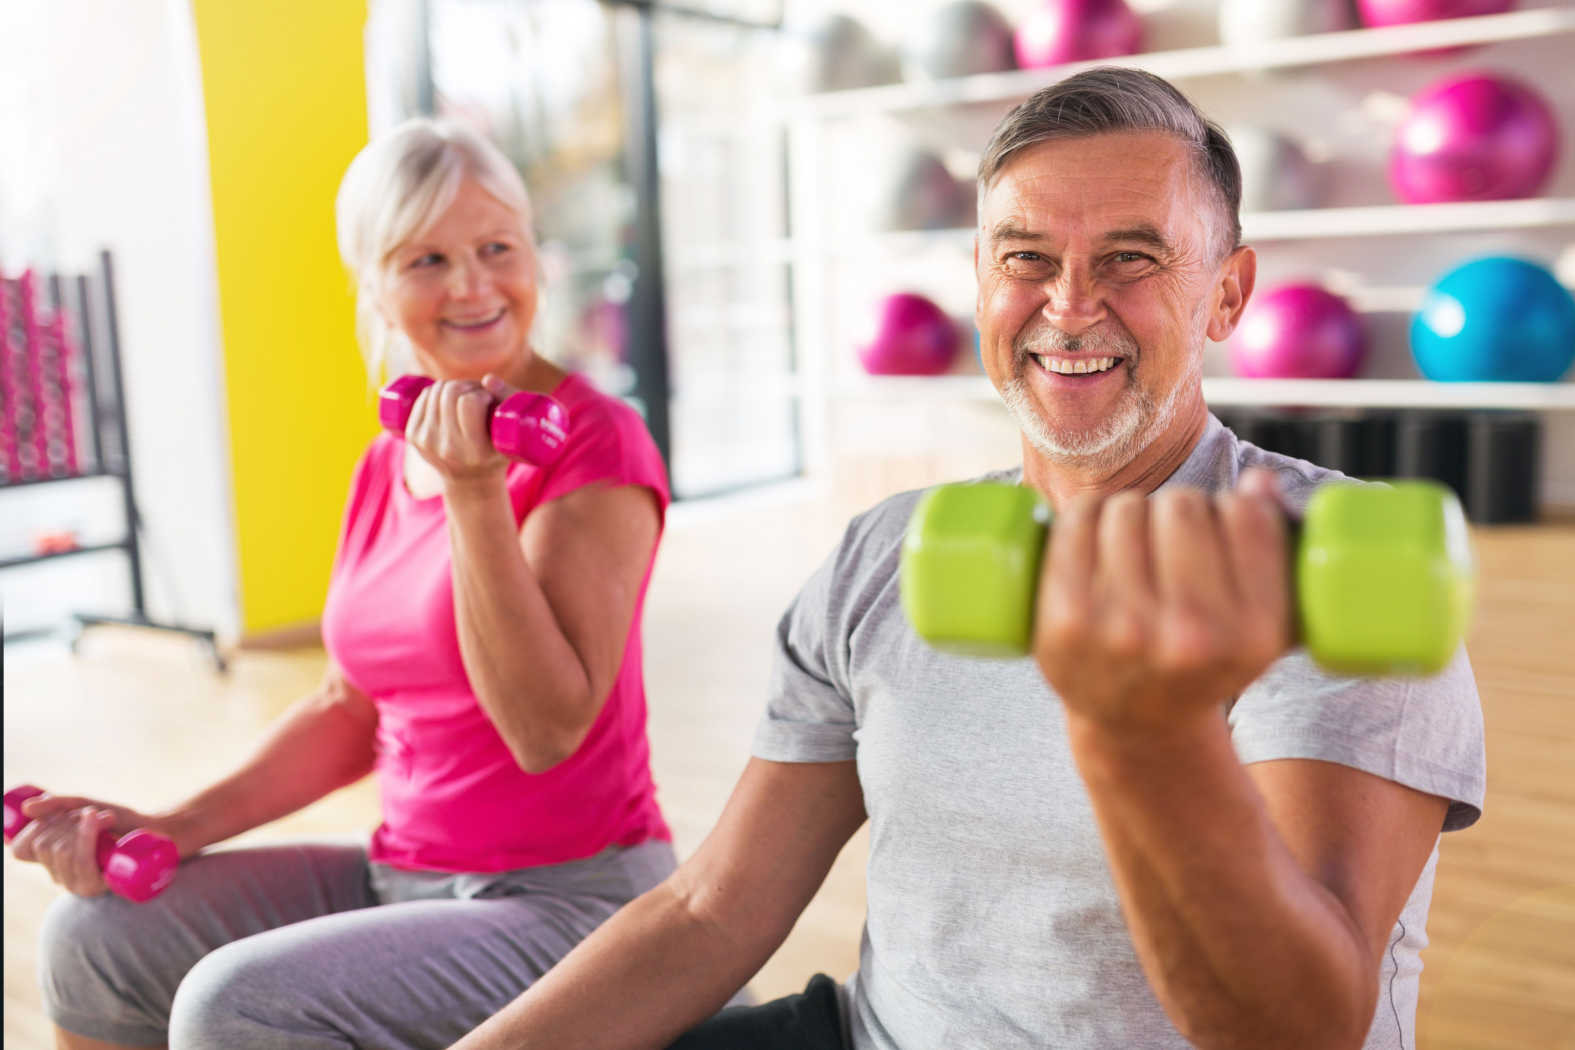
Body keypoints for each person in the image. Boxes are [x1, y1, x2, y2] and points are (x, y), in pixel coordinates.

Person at [447, 68, 1485, 1050]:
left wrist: (1148, 734)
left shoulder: (1316, 566)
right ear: (981, 280)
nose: (1069, 304)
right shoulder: (884, 553)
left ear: (1226, 293)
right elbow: (713, 909)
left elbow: (1299, 1031)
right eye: (1025, 257)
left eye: (1131, 257)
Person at [8, 117, 677, 1049]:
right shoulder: (382, 463)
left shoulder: (595, 441)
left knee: (237, 1006)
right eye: (427, 259)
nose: (473, 285)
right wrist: (174, 824)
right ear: (376, 284)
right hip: (403, 872)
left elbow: (546, 730)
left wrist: (474, 495)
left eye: (497, 249)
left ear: (537, 260)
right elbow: (348, 705)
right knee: (95, 938)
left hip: (570, 902)